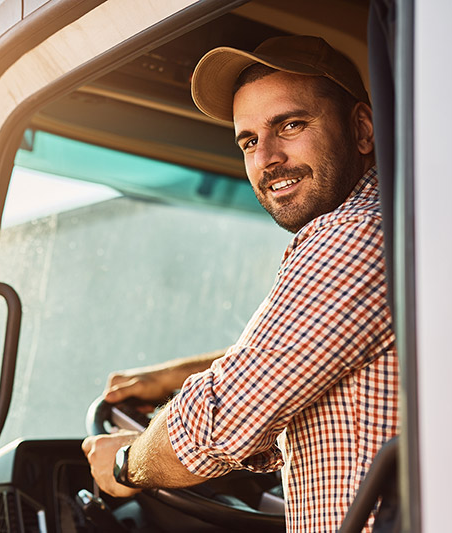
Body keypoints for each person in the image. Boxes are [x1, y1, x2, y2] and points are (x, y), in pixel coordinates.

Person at [82, 35, 398, 532]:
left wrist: (125, 464)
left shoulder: (355, 232)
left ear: (362, 129)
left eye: (290, 125)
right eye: (249, 140)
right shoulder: (390, 229)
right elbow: (294, 355)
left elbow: (217, 424)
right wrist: (179, 375)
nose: (267, 158)